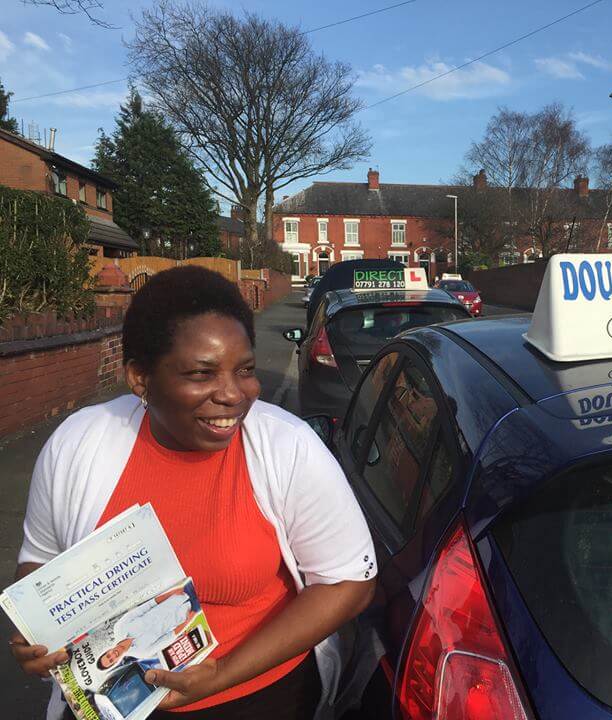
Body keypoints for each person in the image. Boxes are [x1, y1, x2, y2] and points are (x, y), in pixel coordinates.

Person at [10, 267, 377, 720]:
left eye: (244, 369)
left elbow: (349, 584)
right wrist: (37, 632)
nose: (233, 395)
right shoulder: (78, 442)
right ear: (140, 379)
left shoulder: (288, 447)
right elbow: (42, 560)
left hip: (256, 694)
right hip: (110, 701)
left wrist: (221, 673)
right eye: (202, 373)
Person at [98, 587, 196, 670]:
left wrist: (172, 592)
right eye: (111, 660)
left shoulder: (119, 627)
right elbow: (169, 637)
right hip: (186, 613)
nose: (113, 655)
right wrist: (188, 620)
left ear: (107, 651)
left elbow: (148, 606)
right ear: (115, 663)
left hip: (177, 596)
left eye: (108, 655)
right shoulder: (142, 653)